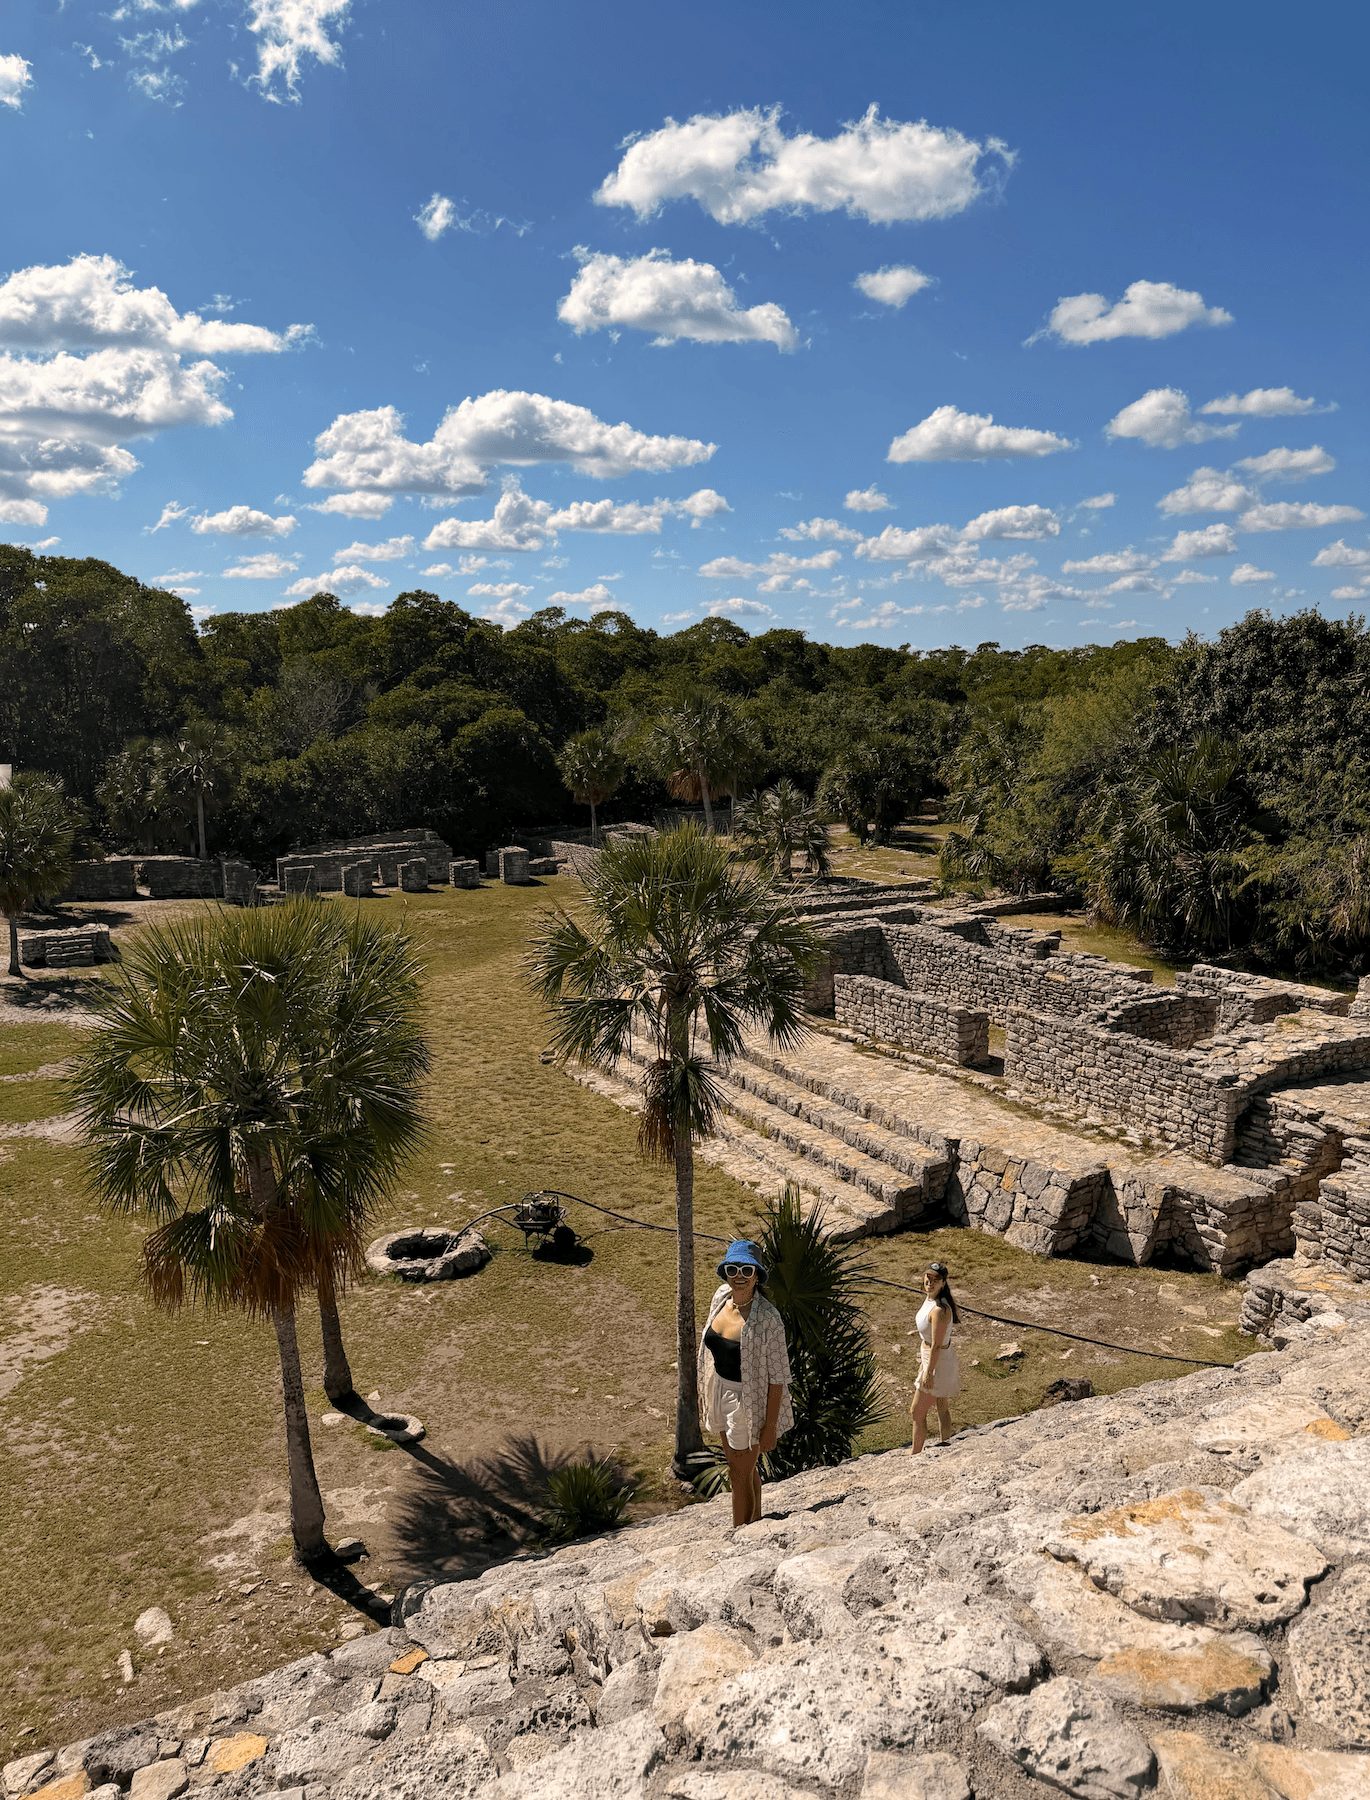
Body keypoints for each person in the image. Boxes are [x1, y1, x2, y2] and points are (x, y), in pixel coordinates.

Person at [697, 1239, 793, 1527]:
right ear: (725, 1271)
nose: (739, 1276)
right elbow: (708, 1349)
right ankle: (756, 1521)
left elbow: (778, 1378)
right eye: (733, 1268)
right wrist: (703, 1389)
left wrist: (771, 1427)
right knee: (743, 1470)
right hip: (720, 1391)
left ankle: (741, 1534)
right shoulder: (720, 1298)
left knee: (738, 1476)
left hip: (747, 1404)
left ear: (757, 1275)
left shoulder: (768, 1319)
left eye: (746, 1270)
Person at [911, 1260, 960, 1453]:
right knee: (941, 1405)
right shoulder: (930, 1298)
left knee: (917, 1411)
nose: (930, 1282)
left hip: (937, 1360)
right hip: (931, 1356)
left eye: (936, 1279)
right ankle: (944, 1445)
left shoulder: (939, 1310)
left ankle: (915, 1454)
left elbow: (937, 1345)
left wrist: (929, 1371)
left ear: (943, 1283)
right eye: (928, 1277)